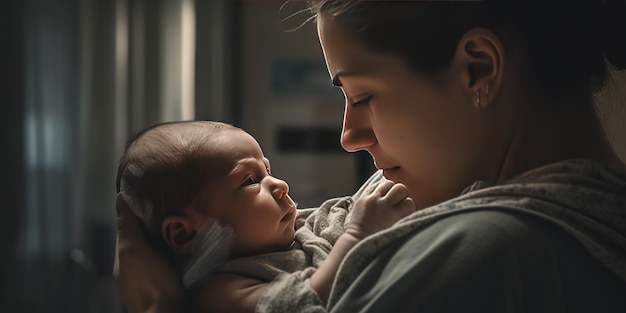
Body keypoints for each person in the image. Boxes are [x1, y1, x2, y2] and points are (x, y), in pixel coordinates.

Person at [113, 0, 626, 312]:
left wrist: (157, 309)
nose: (350, 136)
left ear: (478, 69)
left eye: (360, 96)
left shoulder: (477, 257)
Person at [115, 120, 414, 313]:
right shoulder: (222, 293)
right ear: (185, 233)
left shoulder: (302, 228)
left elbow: (346, 214)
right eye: (250, 181)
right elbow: (307, 302)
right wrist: (358, 235)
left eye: (268, 171)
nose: (280, 184)